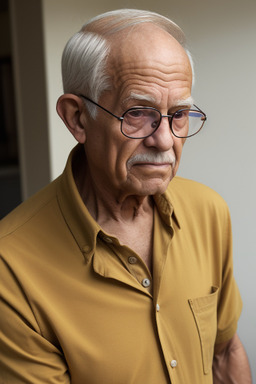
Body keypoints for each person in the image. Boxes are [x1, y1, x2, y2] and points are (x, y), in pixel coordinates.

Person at [0, 8, 252, 384]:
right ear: (78, 118)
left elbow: (225, 352)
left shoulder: (208, 211)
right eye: (138, 113)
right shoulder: (11, 269)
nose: (164, 140)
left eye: (179, 114)